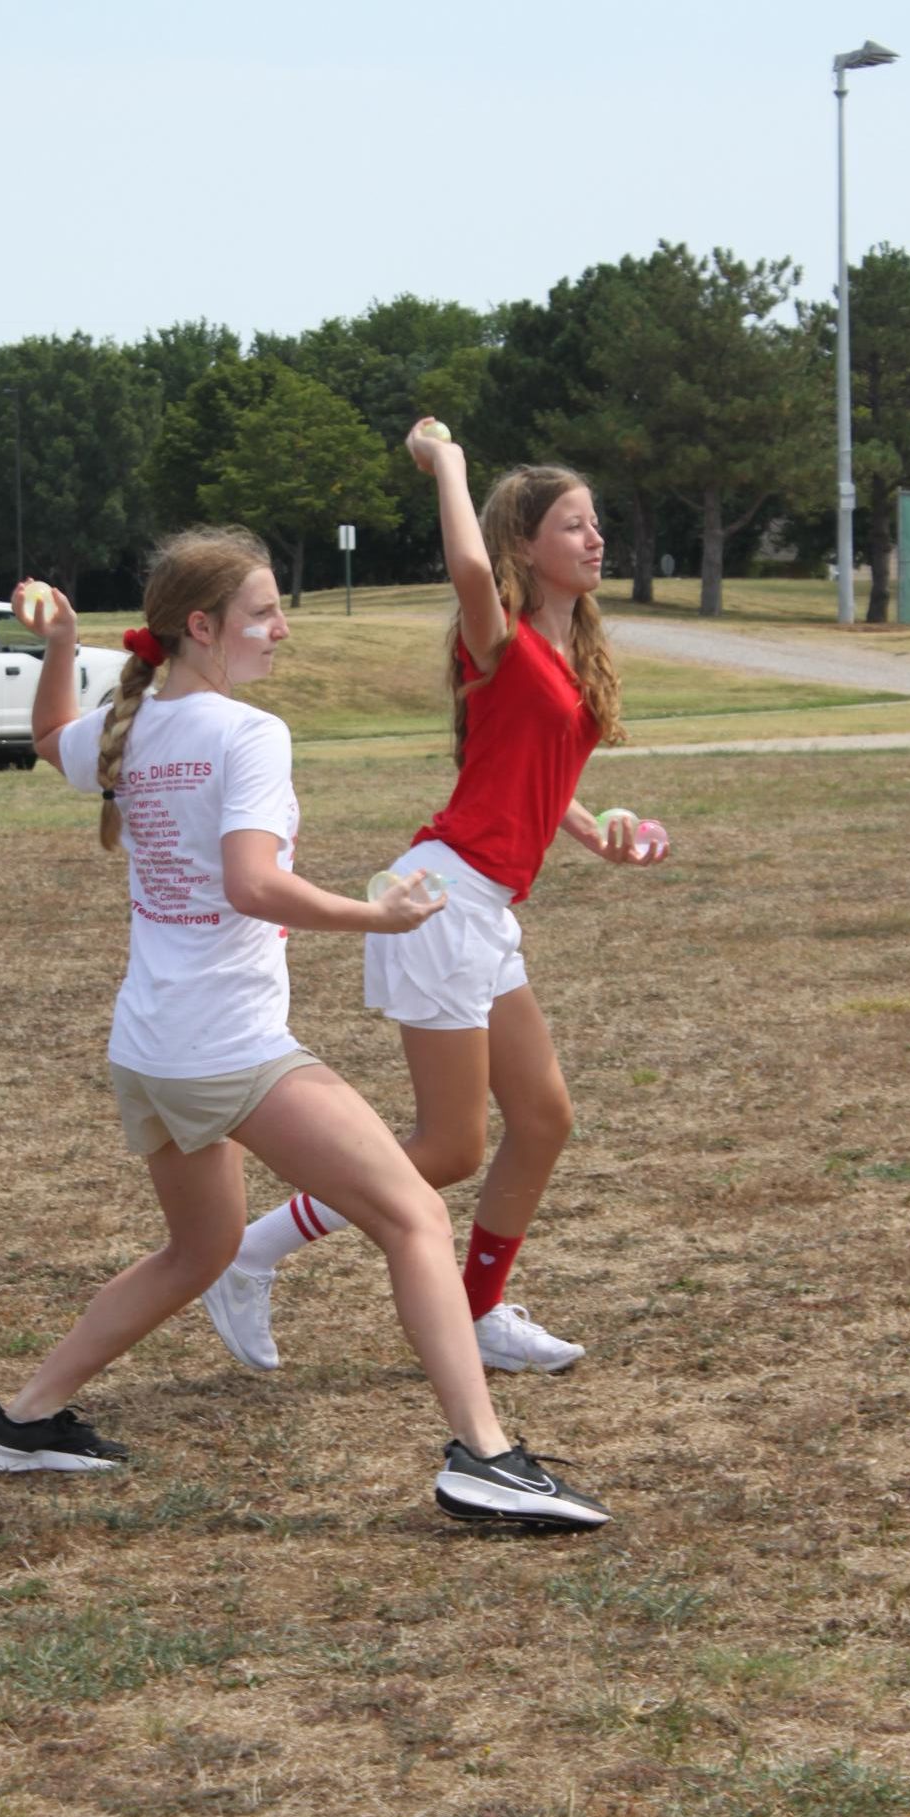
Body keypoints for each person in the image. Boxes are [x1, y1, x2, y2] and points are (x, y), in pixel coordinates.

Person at [0, 528, 608, 1531]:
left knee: (200, 1249)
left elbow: (53, 739)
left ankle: (22, 1417)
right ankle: (484, 1457)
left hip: (149, 1048)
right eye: (264, 613)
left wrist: (58, 649)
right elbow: (252, 884)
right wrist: (378, 915)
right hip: (227, 1050)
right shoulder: (245, 734)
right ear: (201, 626)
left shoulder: (130, 726)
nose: (281, 629)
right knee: (412, 1215)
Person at [203, 426, 666, 1378]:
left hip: (485, 908)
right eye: (574, 526)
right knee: (450, 1147)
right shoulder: (493, 634)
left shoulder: (566, 657)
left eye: (597, 524)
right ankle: (248, 1252)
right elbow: (466, 562)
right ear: (525, 547)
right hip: (442, 900)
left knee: (542, 1120)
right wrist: (449, 462)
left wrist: (598, 831)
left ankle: (478, 1309)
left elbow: (533, 778)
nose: (595, 539)